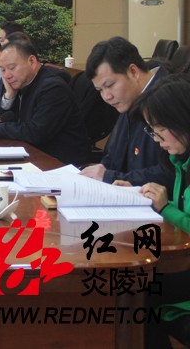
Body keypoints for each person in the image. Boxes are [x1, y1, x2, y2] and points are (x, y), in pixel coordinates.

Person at [132, 75, 190, 348]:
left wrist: (166, 207)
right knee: (133, 290)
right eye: (152, 130)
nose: (156, 139)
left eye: (160, 129)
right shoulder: (179, 161)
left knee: (136, 295)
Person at [79, 37, 171, 187]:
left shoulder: (169, 99)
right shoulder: (129, 99)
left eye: (110, 85)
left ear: (133, 72)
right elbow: (113, 157)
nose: (106, 96)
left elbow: (173, 172)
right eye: (100, 90)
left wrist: (110, 176)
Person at [0, 38, 91, 165]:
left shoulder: (53, 88)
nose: (7, 75)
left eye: (12, 68)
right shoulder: (19, 85)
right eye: (3, 70)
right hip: (33, 156)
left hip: (61, 163)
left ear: (32, 61)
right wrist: (9, 95)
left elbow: (36, 132)